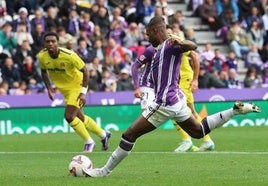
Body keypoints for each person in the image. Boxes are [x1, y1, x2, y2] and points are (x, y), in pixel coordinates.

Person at [83, 16, 261, 177]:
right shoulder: (160, 48)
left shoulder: (170, 44)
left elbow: (193, 47)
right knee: (198, 131)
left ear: (155, 31)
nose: (146, 37)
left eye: (147, 34)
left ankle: (103, 171)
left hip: (165, 102)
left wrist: (182, 42)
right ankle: (234, 110)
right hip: (177, 99)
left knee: (128, 135)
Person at [131, 36, 214, 152]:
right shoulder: (163, 46)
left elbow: (194, 55)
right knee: (190, 111)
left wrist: (195, 79)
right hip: (176, 81)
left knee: (173, 108)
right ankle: (206, 140)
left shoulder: (174, 42)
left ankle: (187, 140)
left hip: (183, 79)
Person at [38, 32, 111, 153]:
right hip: (64, 90)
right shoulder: (42, 56)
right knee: (80, 117)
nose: (50, 43)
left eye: (53, 41)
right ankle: (103, 134)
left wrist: (83, 92)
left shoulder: (69, 55)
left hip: (77, 87)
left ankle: (89, 142)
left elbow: (85, 71)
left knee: (69, 116)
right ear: (44, 44)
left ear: (58, 43)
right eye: (48, 41)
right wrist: (49, 88)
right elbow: (43, 71)